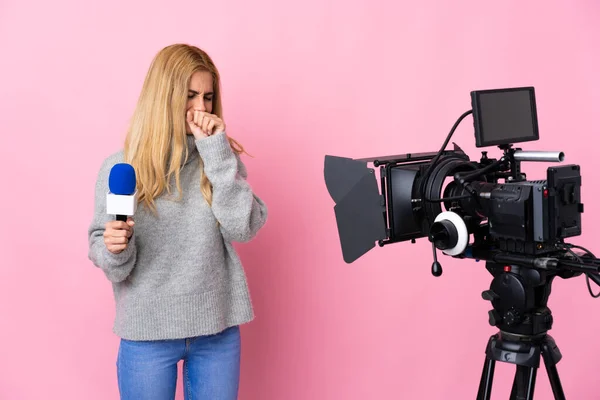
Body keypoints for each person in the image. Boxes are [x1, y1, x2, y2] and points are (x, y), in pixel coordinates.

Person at [87, 43, 268, 400]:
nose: (200, 109)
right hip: (147, 334)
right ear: (164, 96)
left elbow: (243, 227)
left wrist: (216, 151)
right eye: (189, 96)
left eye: (208, 97)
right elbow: (114, 267)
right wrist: (114, 247)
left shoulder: (218, 159)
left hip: (217, 331)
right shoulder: (121, 167)